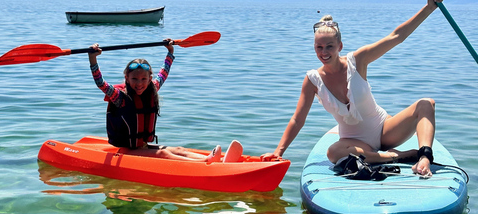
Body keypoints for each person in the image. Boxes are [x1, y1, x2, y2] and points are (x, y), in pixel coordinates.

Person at [262, 0, 442, 177]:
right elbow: (297, 119)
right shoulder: (312, 81)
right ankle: (397, 156)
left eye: (330, 46)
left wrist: (429, 7)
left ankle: (424, 158)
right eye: (319, 47)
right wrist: (279, 152)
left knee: (426, 104)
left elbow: (396, 36)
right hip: (355, 143)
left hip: (386, 131)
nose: (324, 52)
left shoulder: (358, 61)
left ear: (340, 46)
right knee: (333, 152)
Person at [88, 39, 229, 162]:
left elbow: (164, 73)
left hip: (142, 147)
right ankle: (205, 162)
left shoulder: (152, 88)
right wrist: (93, 59)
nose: (139, 83)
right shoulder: (120, 97)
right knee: (162, 153)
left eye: (144, 79)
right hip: (127, 150)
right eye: (134, 79)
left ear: (149, 79)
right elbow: (101, 83)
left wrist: (170, 51)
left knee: (179, 149)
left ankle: (220, 160)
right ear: (126, 78)